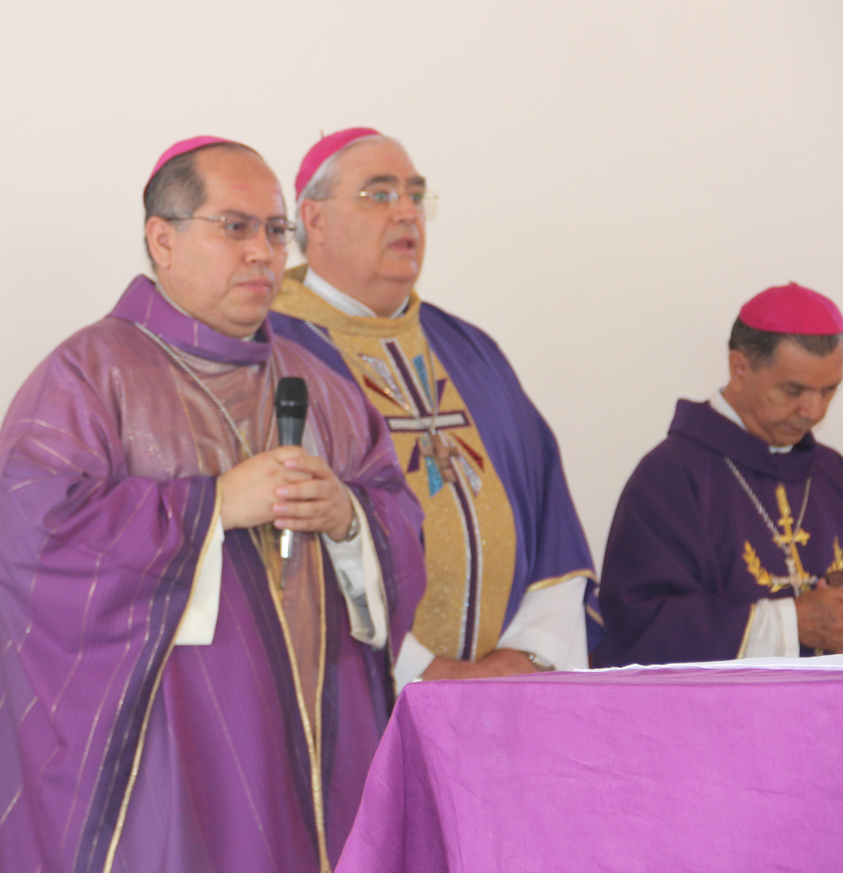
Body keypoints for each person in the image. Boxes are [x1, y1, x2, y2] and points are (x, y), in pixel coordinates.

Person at [0, 136, 426, 873]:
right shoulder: (86, 377)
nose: (262, 253)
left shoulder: (322, 385)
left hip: (320, 745)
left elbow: (397, 516)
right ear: (163, 240)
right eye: (235, 227)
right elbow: (43, 539)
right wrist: (213, 506)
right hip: (173, 755)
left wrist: (348, 519)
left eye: (275, 230)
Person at [269, 128, 598, 689]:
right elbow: (284, 548)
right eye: (379, 195)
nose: (407, 213)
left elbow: (552, 523)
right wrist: (422, 672)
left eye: (416, 196)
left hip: (507, 693)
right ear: (314, 220)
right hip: (354, 693)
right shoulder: (272, 353)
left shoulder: (471, 352)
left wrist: (530, 657)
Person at [594, 282, 843, 665]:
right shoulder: (670, 476)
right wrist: (789, 623)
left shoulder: (831, 472)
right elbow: (640, 625)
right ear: (739, 368)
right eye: (793, 391)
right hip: (722, 703)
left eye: (828, 391)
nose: (814, 411)